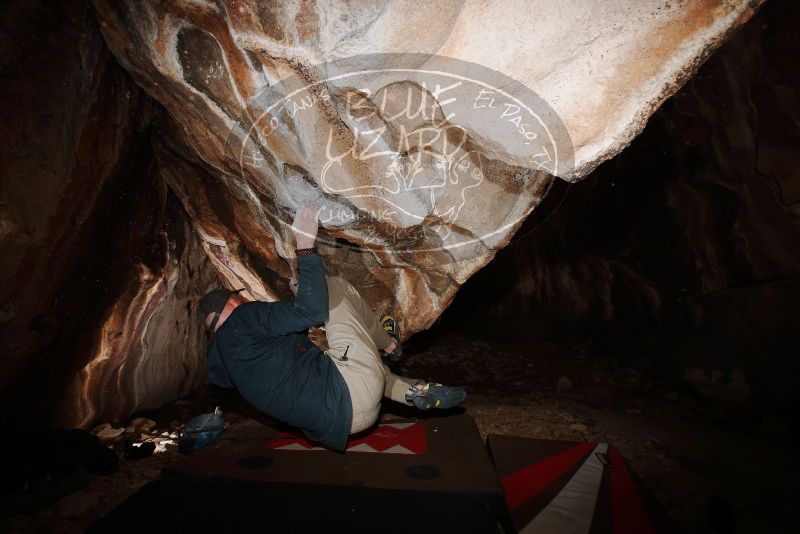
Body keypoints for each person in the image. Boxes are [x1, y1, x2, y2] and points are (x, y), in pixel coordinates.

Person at [199, 205, 466, 451]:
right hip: (350, 388)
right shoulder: (242, 319)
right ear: (232, 303)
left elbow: (294, 336)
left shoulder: (231, 365)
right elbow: (314, 310)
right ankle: (390, 343)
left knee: (352, 364)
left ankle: (412, 391)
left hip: (345, 423)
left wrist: (298, 297)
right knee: (335, 288)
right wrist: (304, 245)